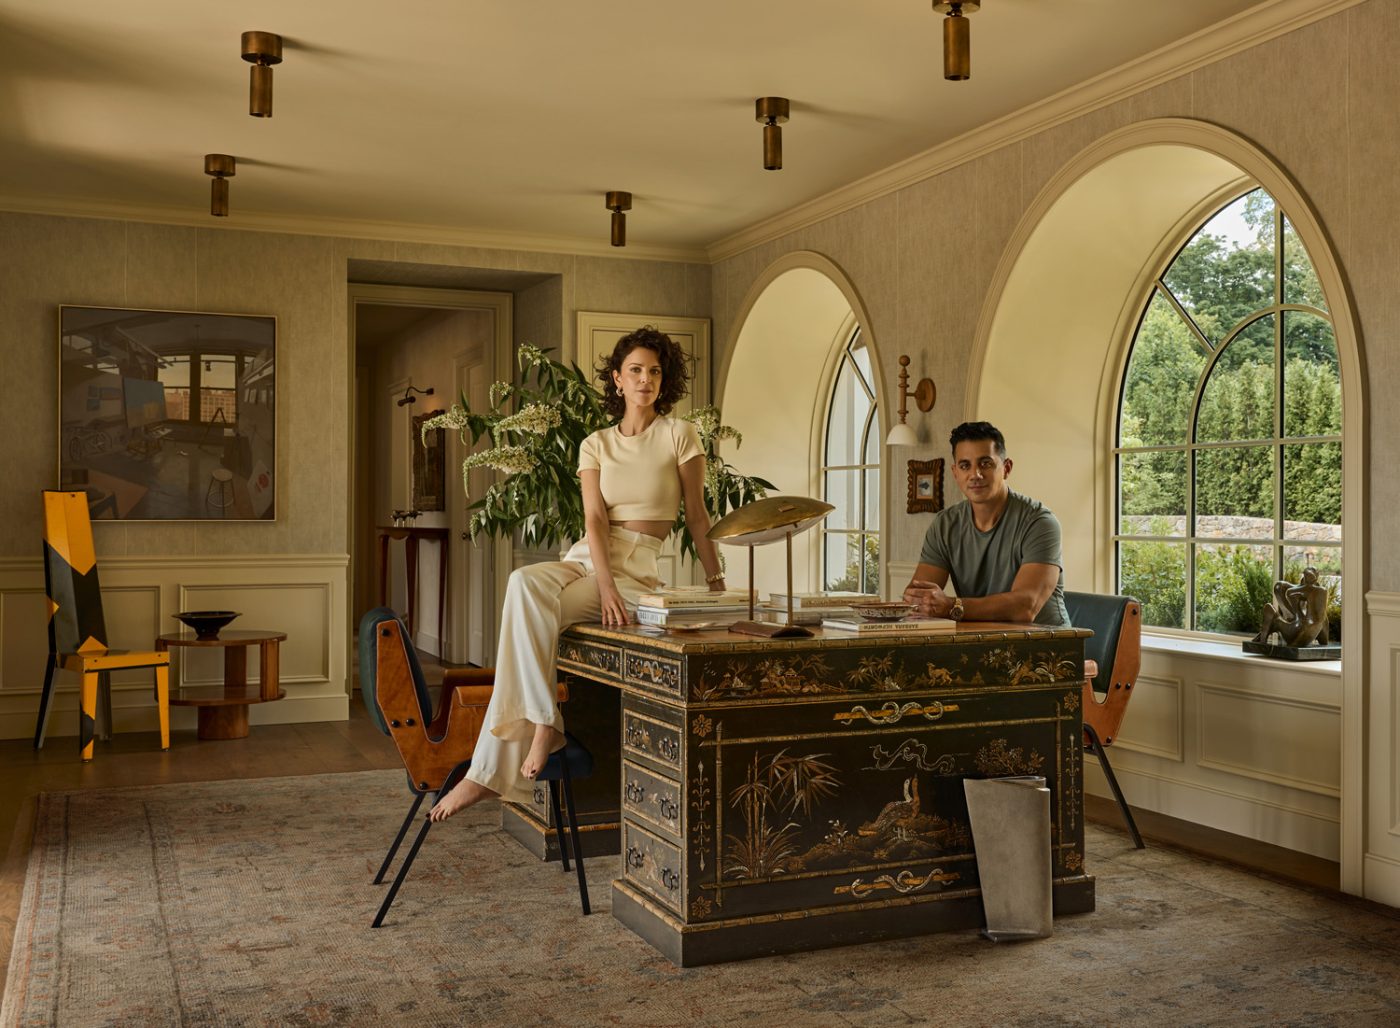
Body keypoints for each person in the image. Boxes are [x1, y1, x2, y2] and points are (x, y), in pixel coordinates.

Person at [429, 326, 727, 821]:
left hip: (636, 571)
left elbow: (697, 516)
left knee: (533, 616)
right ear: (616, 379)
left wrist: (719, 585)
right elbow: (593, 518)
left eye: (655, 371)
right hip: (591, 559)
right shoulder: (595, 444)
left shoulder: (679, 434)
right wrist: (602, 584)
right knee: (522, 584)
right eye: (635, 370)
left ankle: (486, 774)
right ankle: (545, 721)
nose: (645, 379)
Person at [902, 421, 1068, 627]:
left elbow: (1025, 607)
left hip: (1048, 645)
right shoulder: (945, 524)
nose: (975, 475)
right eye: (965, 466)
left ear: (1006, 468)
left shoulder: (1040, 522)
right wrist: (921, 603)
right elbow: (918, 599)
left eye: (986, 463)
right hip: (980, 642)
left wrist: (952, 606)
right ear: (955, 473)